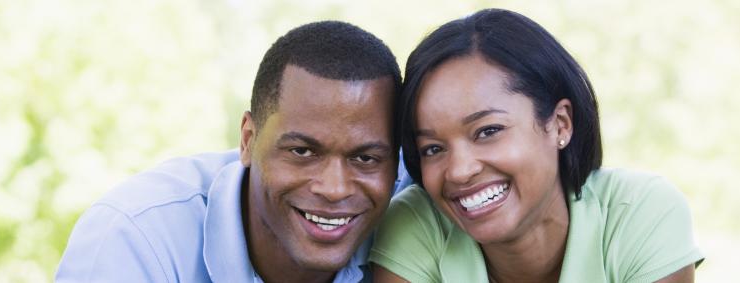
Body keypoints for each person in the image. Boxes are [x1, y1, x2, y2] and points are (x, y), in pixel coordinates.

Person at [56, 21, 410, 282]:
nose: (334, 189)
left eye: (365, 159)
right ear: (248, 140)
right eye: (302, 151)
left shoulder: (422, 215)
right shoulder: (132, 239)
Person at [370, 8, 703, 283]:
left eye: (488, 131)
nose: (459, 171)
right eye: (432, 148)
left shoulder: (639, 213)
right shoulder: (415, 224)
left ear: (560, 124)